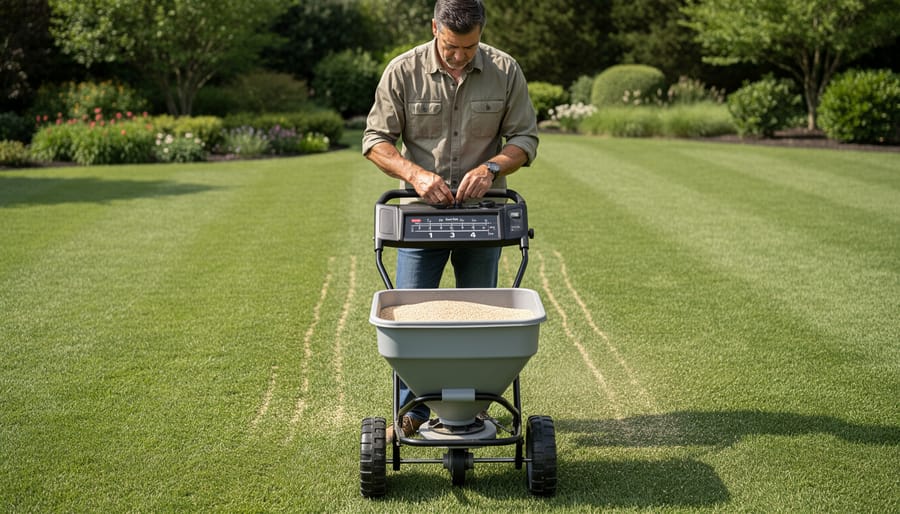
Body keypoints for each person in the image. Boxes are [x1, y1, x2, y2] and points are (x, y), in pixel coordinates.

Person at [362, 0, 539, 441]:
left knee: (481, 319)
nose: (460, 56)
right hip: (421, 218)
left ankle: (475, 408)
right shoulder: (403, 71)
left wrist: (493, 168)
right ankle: (412, 415)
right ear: (434, 27)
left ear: (480, 34)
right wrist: (414, 174)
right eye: (451, 46)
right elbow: (375, 139)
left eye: (470, 47)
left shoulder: (505, 69)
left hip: (484, 215)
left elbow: (524, 136)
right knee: (412, 320)